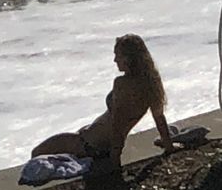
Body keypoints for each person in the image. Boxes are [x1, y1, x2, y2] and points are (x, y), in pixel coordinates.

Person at [31, 33, 181, 170]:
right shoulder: (152, 81)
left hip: (89, 144)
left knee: (36, 152)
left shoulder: (122, 84)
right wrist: (168, 146)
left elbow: (118, 122)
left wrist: (114, 159)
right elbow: (159, 117)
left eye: (118, 55)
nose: (115, 60)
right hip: (95, 142)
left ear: (129, 58)